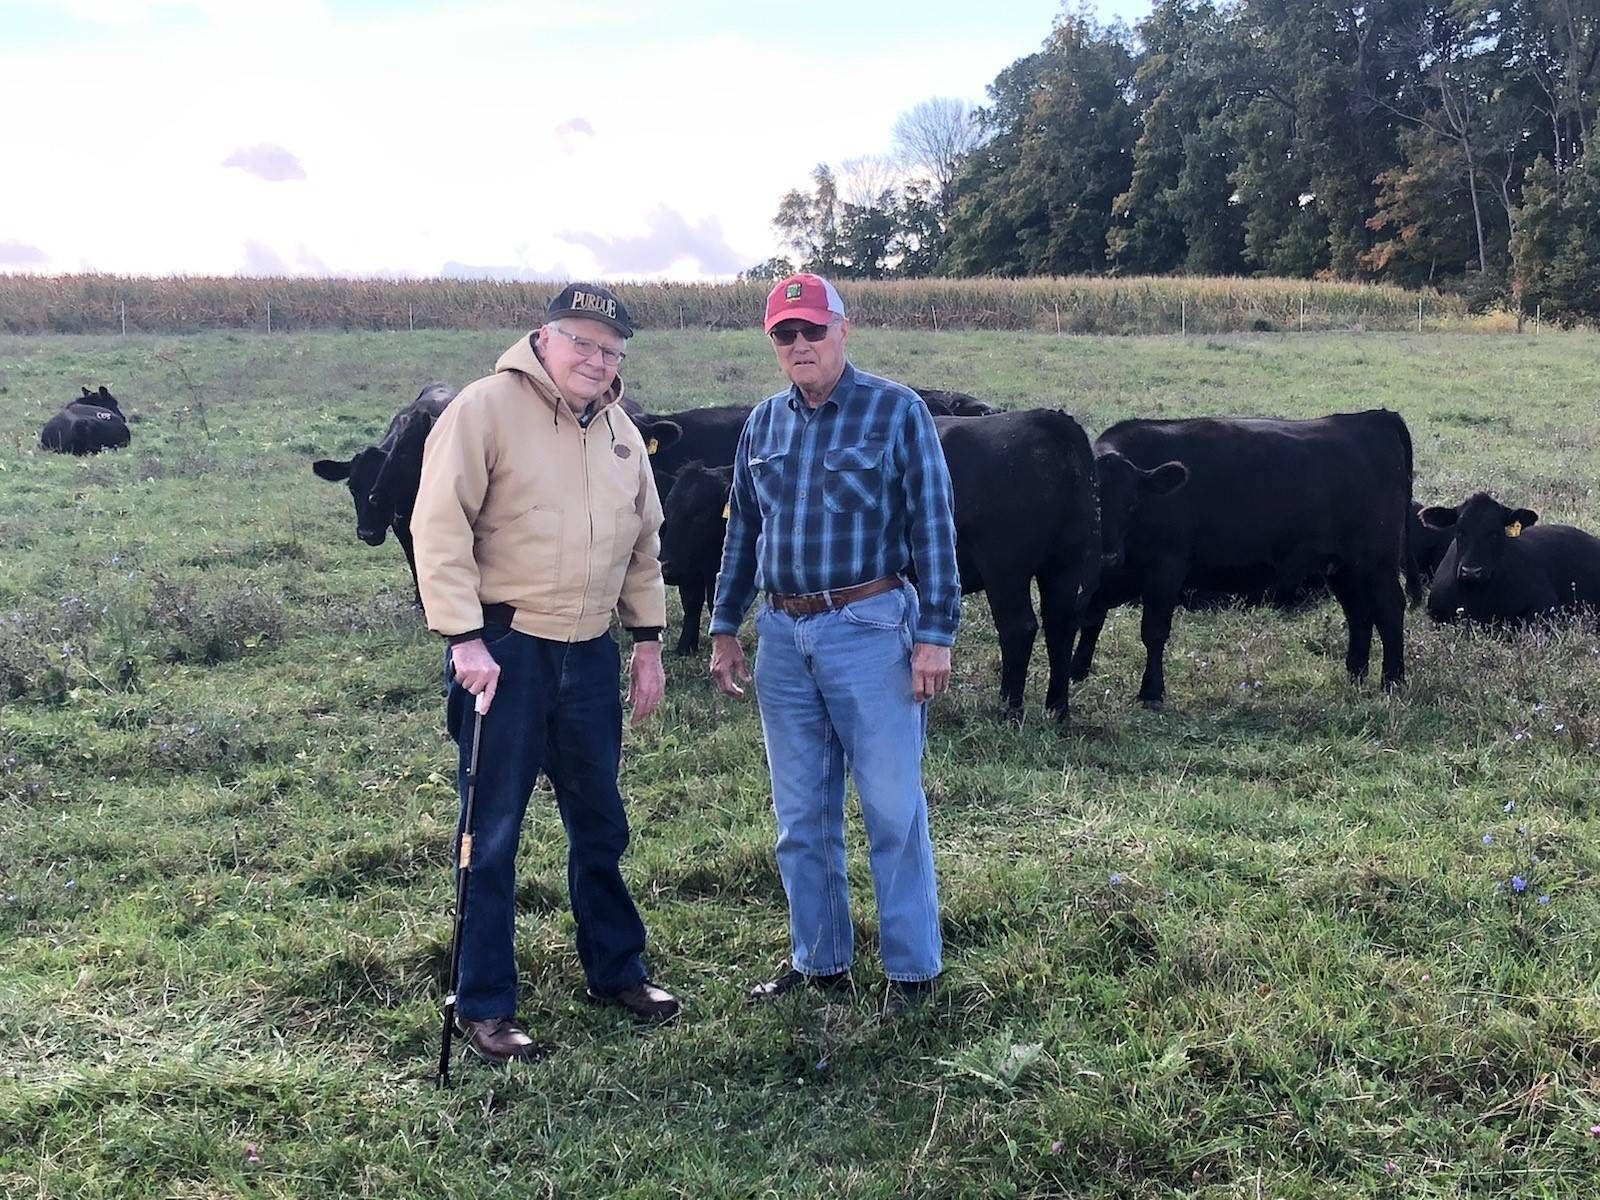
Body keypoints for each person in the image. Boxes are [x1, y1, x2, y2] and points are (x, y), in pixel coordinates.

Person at [412, 281, 679, 1065]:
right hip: (508, 648)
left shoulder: (623, 435)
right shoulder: (485, 409)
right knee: (490, 833)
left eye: (611, 350)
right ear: (544, 338)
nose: (596, 360)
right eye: (583, 343)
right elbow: (439, 523)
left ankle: (616, 970)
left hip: (590, 653)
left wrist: (650, 642)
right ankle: (486, 1004)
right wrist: (464, 638)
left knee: (601, 822)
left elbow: (644, 547)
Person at [708, 273, 960, 1015]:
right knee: (801, 814)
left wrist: (936, 635)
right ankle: (820, 962)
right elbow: (743, 531)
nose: (799, 345)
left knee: (890, 807)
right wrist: (726, 627)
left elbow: (933, 528)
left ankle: (913, 972)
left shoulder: (896, 411)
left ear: (842, 331)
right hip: (783, 634)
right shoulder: (763, 424)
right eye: (785, 334)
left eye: (812, 330)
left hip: (869, 625)